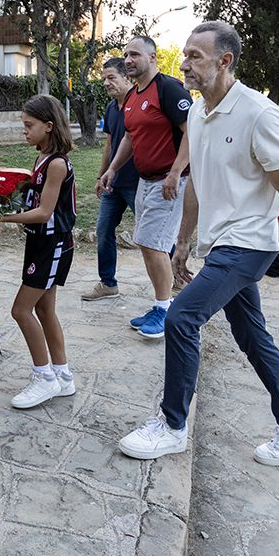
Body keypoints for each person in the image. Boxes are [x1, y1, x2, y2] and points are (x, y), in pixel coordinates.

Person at [117, 21, 279, 467]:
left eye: (194, 56)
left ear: (224, 61)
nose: (184, 63)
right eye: (185, 54)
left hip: (248, 243)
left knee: (182, 318)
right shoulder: (198, 111)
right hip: (218, 242)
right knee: (252, 336)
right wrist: (182, 242)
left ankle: (172, 426)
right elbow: (195, 184)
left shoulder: (258, 112)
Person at [96, 35, 193, 340]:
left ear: (153, 58)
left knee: (153, 244)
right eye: (126, 54)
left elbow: (192, 131)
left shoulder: (168, 88)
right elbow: (129, 137)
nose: (128, 59)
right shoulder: (133, 96)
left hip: (169, 181)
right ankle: (161, 304)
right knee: (147, 243)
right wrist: (112, 168)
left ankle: (164, 311)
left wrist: (176, 172)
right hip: (146, 180)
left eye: (135, 54)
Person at [0, 95, 77, 408]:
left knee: (20, 310)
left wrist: (4, 217)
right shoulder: (42, 157)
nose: (24, 131)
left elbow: (44, 212)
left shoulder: (56, 163)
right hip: (40, 242)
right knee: (43, 310)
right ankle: (63, 376)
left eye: (29, 125)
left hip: (52, 244)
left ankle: (44, 378)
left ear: (49, 126)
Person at [83, 58, 140, 301]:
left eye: (111, 78)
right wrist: (101, 174)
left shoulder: (140, 104)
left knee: (153, 235)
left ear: (127, 77)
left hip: (139, 183)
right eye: (104, 78)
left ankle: (174, 277)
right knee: (104, 230)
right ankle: (108, 283)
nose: (106, 83)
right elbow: (109, 144)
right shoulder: (110, 108)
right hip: (113, 184)